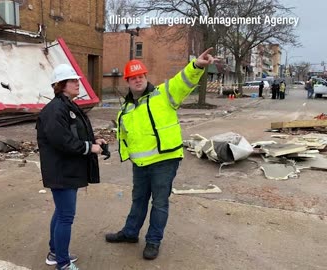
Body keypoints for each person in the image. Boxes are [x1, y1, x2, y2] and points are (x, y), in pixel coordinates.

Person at [105, 48, 216, 260]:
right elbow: (126, 140)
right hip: (141, 165)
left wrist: (197, 66)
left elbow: (182, 80)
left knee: (159, 203)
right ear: (127, 82)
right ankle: (130, 233)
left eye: (141, 76)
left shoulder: (164, 94)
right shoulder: (125, 111)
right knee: (138, 200)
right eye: (133, 78)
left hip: (165, 160)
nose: (138, 80)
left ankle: (153, 241)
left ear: (146, 77)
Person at [36, 64, 105, 270]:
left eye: (77, 79)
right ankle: (63, 263)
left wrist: (95, 140)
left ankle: (55, 253)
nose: (78, 83)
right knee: (66, 216)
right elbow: (62, 140)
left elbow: (74, 133)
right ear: (61, 84)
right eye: (73, 80)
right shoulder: (56, 109)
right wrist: (88, 147)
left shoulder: (67, 106)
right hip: (61, 171)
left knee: (61, 212)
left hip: (68, 169)